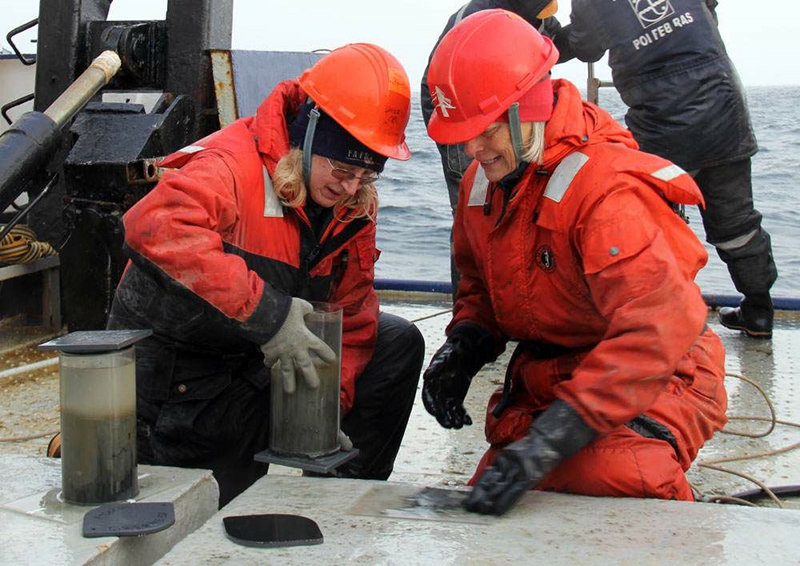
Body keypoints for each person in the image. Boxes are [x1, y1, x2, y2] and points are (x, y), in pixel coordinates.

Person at [423, 9, 728, 516]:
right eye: (463, 132)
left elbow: (656, 330)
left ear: (531, 106)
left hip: (659, 373)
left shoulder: (608, 191)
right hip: (549, 375)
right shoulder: (482, 185)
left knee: (621, 474)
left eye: (487, 129)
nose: (472, 148)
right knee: (492, 497)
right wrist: (464, 345)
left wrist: (549, 442)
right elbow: (478, 287)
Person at [106, 43, 425, 507]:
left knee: (394, 341)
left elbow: (352, 314)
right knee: (208, 521)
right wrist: (270, 316)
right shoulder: (230, 162)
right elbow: (155, 225)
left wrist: (325, 407)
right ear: (309, 134)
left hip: (250, 360)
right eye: (342, 168)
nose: (350, 187)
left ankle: (339, 503)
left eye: (367, 174)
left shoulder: (350, 203)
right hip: (178, 375)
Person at [551, 0, 776, 338]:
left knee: (655, 225)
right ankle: (759, 310)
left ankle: (671, 319)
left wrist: (544, 43)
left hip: (662, 121)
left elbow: (586, 46)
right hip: (721, 101)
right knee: (736, 221)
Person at [420, 0, 561, 298]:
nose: (472, 149)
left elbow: (565, 42)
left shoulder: (531, 15)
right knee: (474, 211)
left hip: (490, 108)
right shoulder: (488, 19)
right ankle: (472, 312)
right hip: (459, 107)